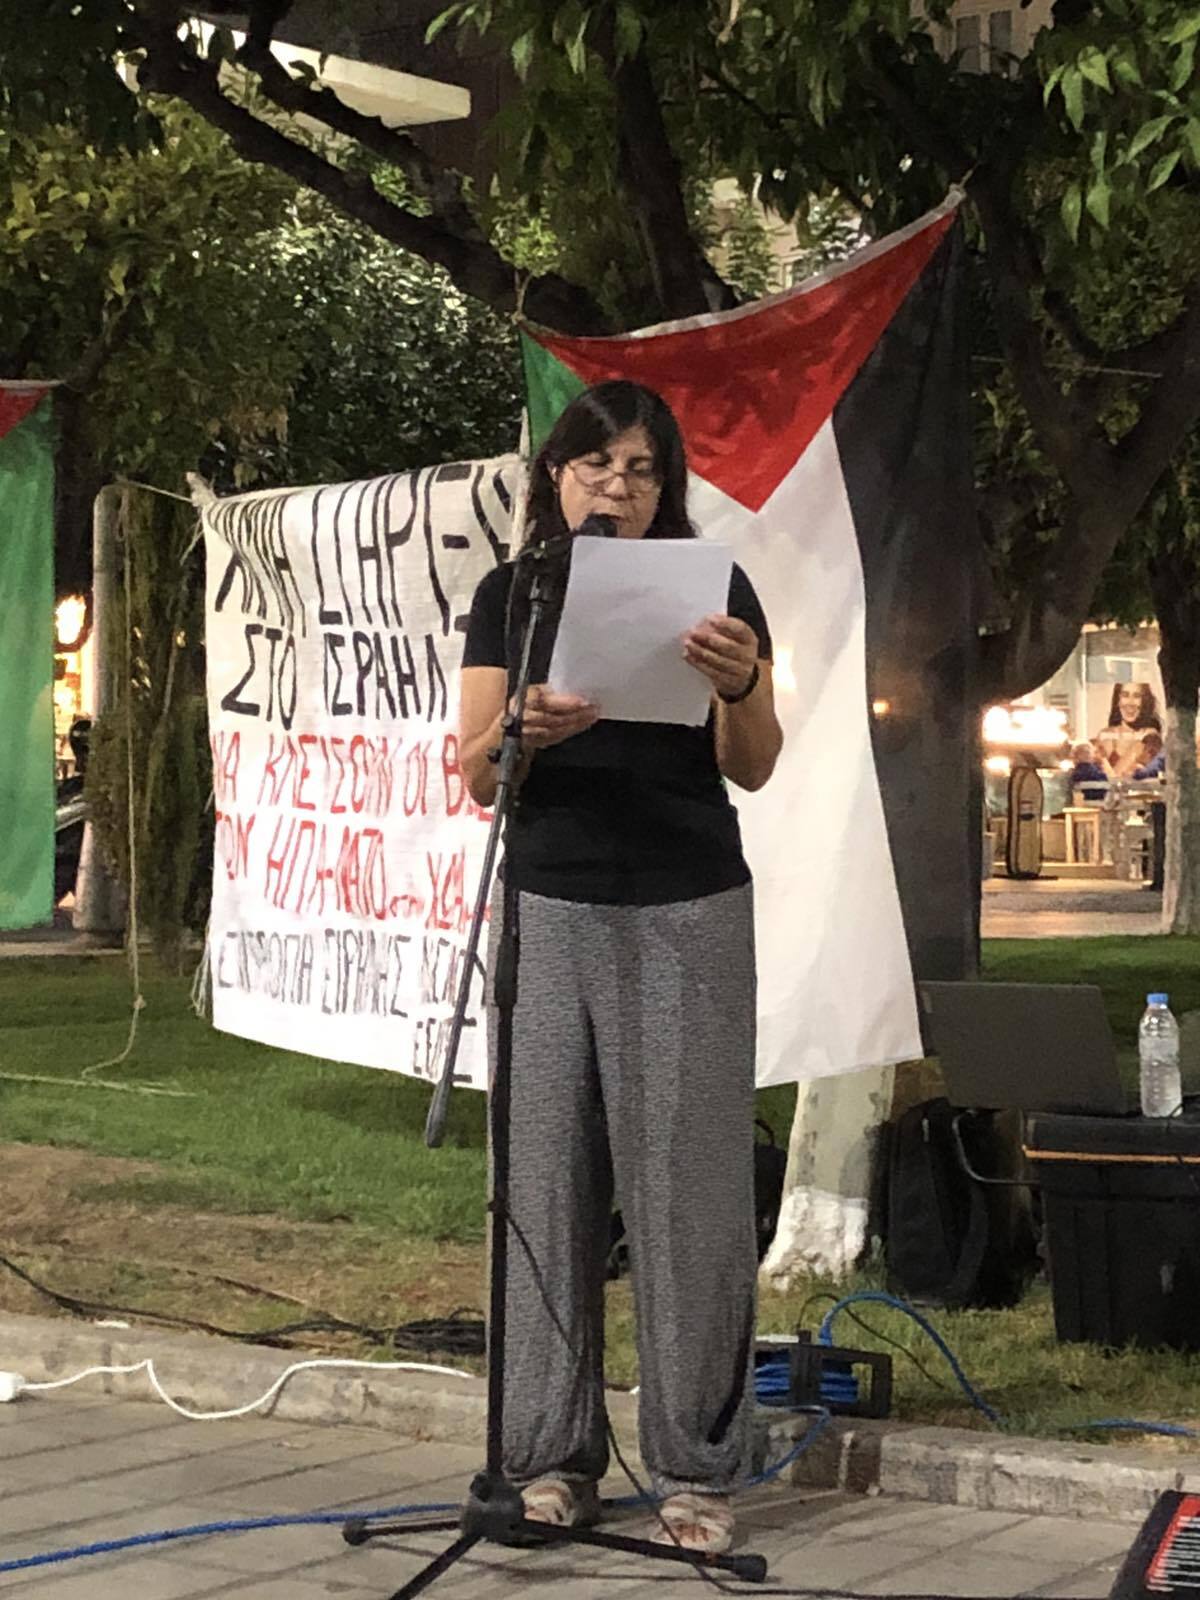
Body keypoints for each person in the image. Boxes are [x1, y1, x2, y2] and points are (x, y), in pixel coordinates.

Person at [458, 379, 782, 1555]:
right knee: (544, 1181)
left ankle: (696, 1467)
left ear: (666, 488)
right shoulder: (511, 595)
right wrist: (521, 735)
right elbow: (475, 771)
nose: (618, 486)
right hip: (550, 901)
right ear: (556, 476)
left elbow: (756, 761)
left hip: (689, 901)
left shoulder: (714, 586)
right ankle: (548, 1459)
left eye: (642, 469)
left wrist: (739, 682)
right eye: (597, 464)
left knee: (689, 1190)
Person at [1094, 682, 1162, 779]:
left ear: (1144, 701)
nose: (1130, 703)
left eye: (1137, 696)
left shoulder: (1151, 736)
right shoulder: (1105, 734)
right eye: (1125, 695)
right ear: (1118, 701)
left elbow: (1120, 777)